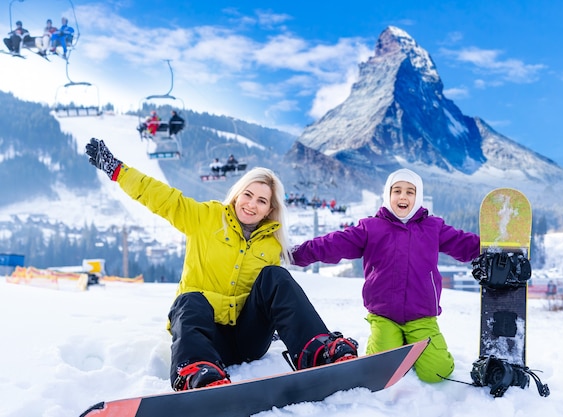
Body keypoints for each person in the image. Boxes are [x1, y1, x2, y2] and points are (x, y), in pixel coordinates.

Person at [84, 138, 358, 390]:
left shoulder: (272, 244)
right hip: (206, 338)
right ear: (238, 194)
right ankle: (196, 372)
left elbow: (275, 299)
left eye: (262, 201)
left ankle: (318, 351)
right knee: (188, 300)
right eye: (248, 195)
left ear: (269, 210)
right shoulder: (205, 218)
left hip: (249, 340)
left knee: (276, 276)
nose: (252, 205)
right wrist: (117, 170)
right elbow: (160, 197)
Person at [291, 168, 480, 383]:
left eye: (410, 192)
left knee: (437, 373)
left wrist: (490, 248)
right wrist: (296, 254)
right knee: (379, 371)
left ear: (417, 197)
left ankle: (412, 347)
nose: (403, 196)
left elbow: (463, 243)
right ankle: (390, 342)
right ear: (387, 196)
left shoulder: (433, 227)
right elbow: (333, 244)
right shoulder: (371, 228)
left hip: (422, 317)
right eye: (397, 190)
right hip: (384, 316)